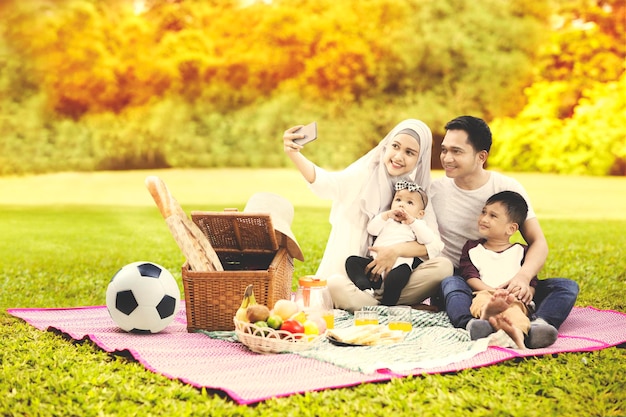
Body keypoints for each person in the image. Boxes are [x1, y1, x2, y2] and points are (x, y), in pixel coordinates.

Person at [428, 115, 579, 349]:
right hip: (466, 282)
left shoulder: (506, 188)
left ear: (481, 156)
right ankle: (472, 324)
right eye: (444, 150)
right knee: (450, 283)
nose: (447, 158)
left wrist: (523, 278)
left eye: (456, 151)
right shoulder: (434, 191)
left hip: (510, 282)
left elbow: (538, 241)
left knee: (566, 286)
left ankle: (540, 325)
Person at [282, 119, 453, 312]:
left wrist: (394, 251)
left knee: (444, 267)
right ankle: (394, 307)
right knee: (335, 285)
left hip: (394, 278)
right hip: (357, 279)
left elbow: (434, 245)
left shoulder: (415, 194)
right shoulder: (364, 174)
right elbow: (327, 184)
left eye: (409, 152)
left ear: (419, 159)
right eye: (395, 146)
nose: (398, 156)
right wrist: (293, 153)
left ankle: (379, 306)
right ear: (386, 146)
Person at [345, 179, 442, 306]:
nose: (402, 205)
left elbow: (427, 239)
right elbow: (372, 229)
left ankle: (388, 304)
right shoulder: (388, 221)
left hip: (399, 266)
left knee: (398, 278)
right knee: (352, 261)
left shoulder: (417, 225)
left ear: (420, 214)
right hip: (375, 265)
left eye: (409, 202)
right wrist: (386, 216)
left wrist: (412, 222)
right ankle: (365, 289)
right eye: (398, 200)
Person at [460, 190, 536, 348]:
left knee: (517, 314)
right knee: (480, 301)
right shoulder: (472, 248)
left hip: (513, 300)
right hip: (485, 294)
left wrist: (523, 293)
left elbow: (531, 282)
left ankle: (517, 336)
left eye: (492, 216)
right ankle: (487, 313)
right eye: (484, 212)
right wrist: (493, 293)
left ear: (511, 229)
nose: (484, 219)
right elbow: (470, 276)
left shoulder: (522, 251)